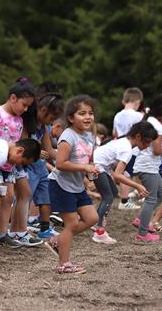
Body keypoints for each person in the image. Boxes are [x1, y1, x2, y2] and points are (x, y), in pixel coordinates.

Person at [45, 95, 99, 274]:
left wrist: (90, 170)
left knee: (92, 218)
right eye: (82, 113)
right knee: (71, 223)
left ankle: (57, 240)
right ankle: (64, 264)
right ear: (70, 118)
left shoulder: (90, 135)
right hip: (61, 185)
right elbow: (60, 163)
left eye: (90, 113)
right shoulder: (68, 136)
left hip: (76, 185)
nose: (87, 117)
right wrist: (84, 166)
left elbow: (87, 158)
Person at [0, 77, 36, 248]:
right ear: (13, 98)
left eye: (28, 106)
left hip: (9, 165)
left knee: (9, 197)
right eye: (24, 105)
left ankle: (2, 234)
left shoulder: (19, 119)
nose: (25, 109)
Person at [92, 121, 158, 244]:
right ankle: (99, 232)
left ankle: (96, 224)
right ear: (138, 136)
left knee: (113, 192)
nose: (148, 145)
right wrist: (137, 185)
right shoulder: (127, 150)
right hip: (96, 166)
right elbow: (118, 174)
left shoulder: (124, 143)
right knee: (108, 197)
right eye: (147, 141)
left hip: (100, 165)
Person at [13, 92, 64, 241]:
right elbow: (22, 146)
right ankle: (17, 230)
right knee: (24, 198)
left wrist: (65, 160)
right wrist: (36, 152)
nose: (51, 122)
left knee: (45, 197)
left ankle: (44, 228)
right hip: (28, 166)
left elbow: (49, 149)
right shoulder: (27, 123)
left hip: (41, 168)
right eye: (51, 118)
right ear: (42, 110)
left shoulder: (44, 126)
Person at [132, 93, 162, 242]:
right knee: (152, 198)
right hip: (147, 166)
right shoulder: (157, 125)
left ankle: (141, 220)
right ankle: (143, 233)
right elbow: (157, 150)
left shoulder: (149, 119)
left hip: (148, 165)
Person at [112, 87, 144, 210]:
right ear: (137, 101)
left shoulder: (117, 115)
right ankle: (124, 201)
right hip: (132, 148)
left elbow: (114, 133)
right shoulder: (138, 116)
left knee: (123, 173)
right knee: (126, 174)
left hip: (119, 146)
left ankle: (127, 197)